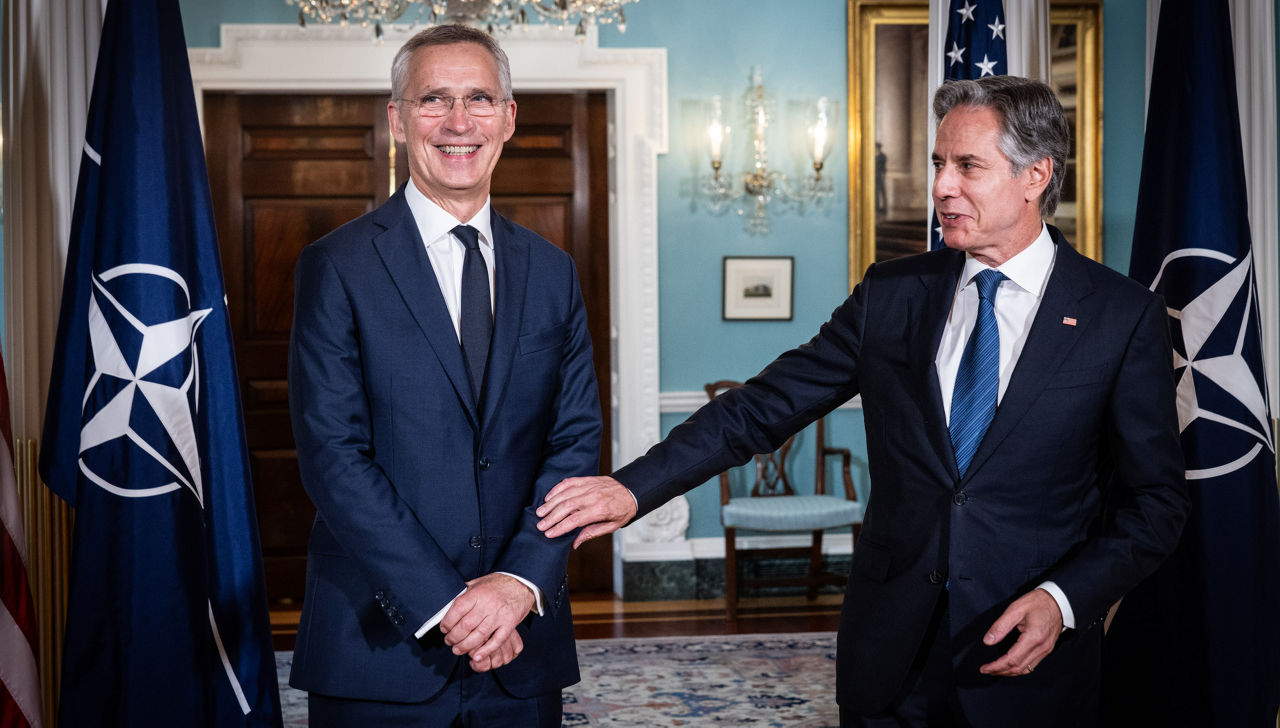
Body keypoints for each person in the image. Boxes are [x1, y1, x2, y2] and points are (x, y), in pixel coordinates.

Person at [537, 75, 1188, 727]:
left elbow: (1155, 503)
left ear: (1035, 175)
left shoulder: (1120, 316)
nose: (940, 187)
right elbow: (762, 407)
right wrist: (631, 490)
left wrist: (1064, 598)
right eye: (938, 163)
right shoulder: (893, 293)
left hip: (1029, 661)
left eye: (968, 166)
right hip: (889, 658)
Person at [287, 24, 601, 727]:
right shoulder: (336, 267)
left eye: (480, 99)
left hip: (522, 644)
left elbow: (574, 445)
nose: (459, 123)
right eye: (434, 100)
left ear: (509, 118)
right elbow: (333, 457)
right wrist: (450, 603)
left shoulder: (554, 272)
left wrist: (517, 585)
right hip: (380, 644)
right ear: (397, 120)